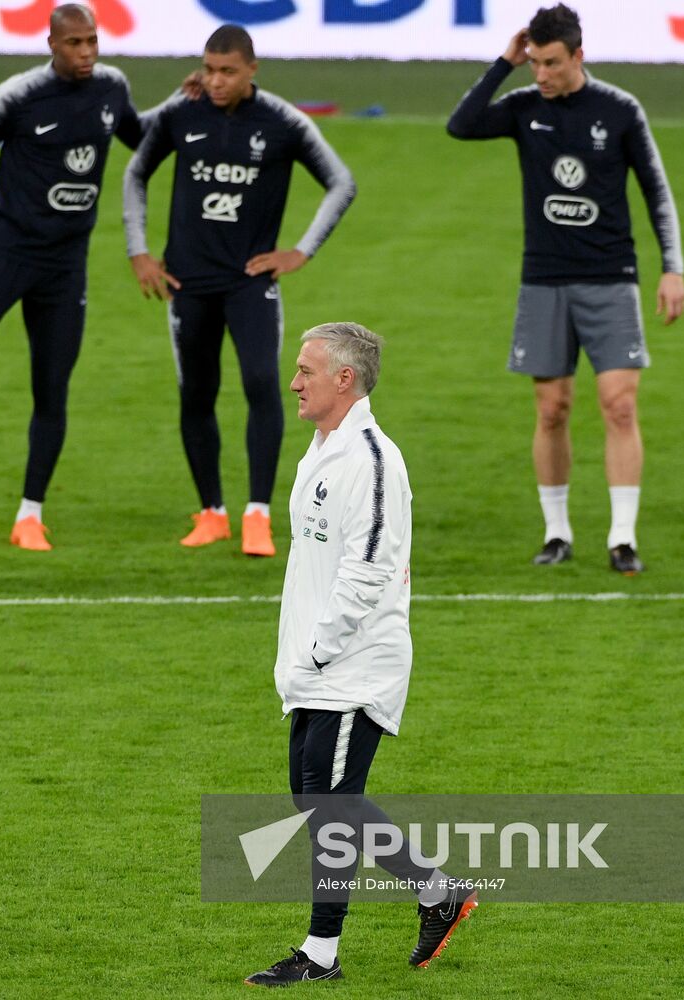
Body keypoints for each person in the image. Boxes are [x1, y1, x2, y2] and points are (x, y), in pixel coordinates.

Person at [245, 322, 477, 987]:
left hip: (353, 664)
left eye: (306, 371)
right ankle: (439, 891)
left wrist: (320, 648)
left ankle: (321, 955)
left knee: (330, 808)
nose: (294, 382)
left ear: (344, 379)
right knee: (314, 800)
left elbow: (371, 569)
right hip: (317, 666)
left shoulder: (372, 459)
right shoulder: (324, 447)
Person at [446, 3, 684, 575]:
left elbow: (656, 191)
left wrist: (671, 267)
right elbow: (461, 124)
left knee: (620, 406)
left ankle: (622, 539)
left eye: (551, 63)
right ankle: (557, 534)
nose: (542, 75)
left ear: (579, 55)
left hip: (611, 279)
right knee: (552, 408)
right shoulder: (524, 106)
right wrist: (503, 63)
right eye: (533, 63)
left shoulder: (620, 110)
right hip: (544, 279)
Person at [0, 3, 162, 552]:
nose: (86, 53)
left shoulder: (111, 88)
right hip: (8, 252)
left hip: (65, 267)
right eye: (75, 43)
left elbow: (145, 139)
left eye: (93, 42)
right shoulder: (18, 96)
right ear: (51, 44)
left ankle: (30, 514)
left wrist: (190, 109)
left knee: (52, 391)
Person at [122, 25, 355, 558]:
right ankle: (211, 513)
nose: (216, 81)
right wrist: (138, 251)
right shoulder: (182, 112)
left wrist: (301, 251)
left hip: (250, 283)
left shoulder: (282, 122)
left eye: (227, 71)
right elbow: (136, 167)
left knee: (259, 382)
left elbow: (341, 182)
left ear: (253, 69)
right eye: (208, 69)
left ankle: (257, 515)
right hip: (188, 283)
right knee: (196, 393)